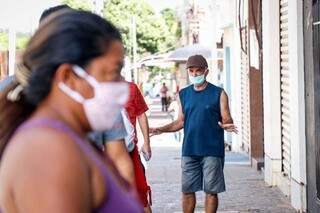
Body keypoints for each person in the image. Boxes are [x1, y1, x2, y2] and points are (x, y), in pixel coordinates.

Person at [0, 10, 143, 212]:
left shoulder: (71, 139)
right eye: (113, 73)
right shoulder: (49, 149)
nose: (120, 85)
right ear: (68, 77)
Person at [150, 55, 238, 213]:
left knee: (211, 191)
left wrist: (227, 124)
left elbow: (226, 118)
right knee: (187, 190)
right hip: (189, 150)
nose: (195, 74)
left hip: (212, 150)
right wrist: (160, 129)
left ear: (206, 71)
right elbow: (180, 122)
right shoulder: (183, 94)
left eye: (199, 71)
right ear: (188, 72)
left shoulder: (219, 93)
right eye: (192, 71)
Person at [125, 80, 152, 213]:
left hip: (130, 151)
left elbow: (141, 114)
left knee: (140, 193)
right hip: (103, 152)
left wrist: (146, 143)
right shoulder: (92, 88)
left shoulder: (131, 88)